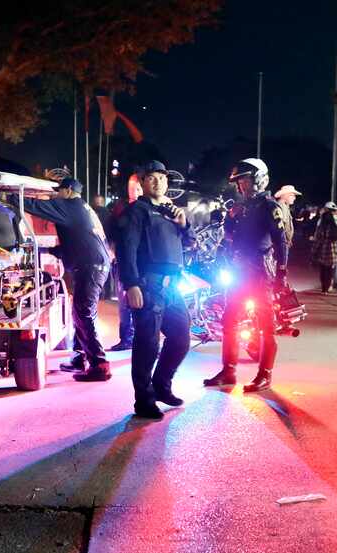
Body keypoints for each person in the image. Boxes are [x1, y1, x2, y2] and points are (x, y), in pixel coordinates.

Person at [12, 178, 112, 381]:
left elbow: (37, 207)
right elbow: (75, 242)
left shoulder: (70, 205)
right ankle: (79, 357)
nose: (55, 196)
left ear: (67, 191)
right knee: (81, 313)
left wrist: (14, 198)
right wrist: (47, 250)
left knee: (83, 314)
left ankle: (99, 365)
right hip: (93, 264)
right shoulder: (82, 208)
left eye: (58, 192)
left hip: (91, 266)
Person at [116, 161, 194, 420]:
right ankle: (144, 400)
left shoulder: (170, 211)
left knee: (182, 337)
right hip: (149, 285)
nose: (158, 182)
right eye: (151, 178)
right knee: (147, 344)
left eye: (162, 177)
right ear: (142, 183)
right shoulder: (136, 211)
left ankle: (162, 386)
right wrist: (131, 284)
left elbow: (190, 244)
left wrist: (183, 224)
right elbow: (126, 249)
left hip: (173, 287)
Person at [203, 158, 289, 392]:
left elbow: (281, 242)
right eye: (239, 182)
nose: (241, 186)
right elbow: (230, 239)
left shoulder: (270, 207)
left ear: (259, 179)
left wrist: (282, 272)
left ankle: (265, 375)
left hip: (261, 272)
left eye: (245, 180)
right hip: (239, 271)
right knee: (229, 320)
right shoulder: (240, 208)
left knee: (266, 325)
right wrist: (230, 220)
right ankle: (228, 371)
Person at [106, 175, 144, 352]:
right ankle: (126, 338)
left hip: (143, 264)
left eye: (137, 188)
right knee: (124, 303)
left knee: (145, 304)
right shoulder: (121, 208)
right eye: (131, 188)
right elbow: (111, 231)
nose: (134, 192)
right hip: (122, 262)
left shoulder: (147, 208)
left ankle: (144, 339)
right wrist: (112, 250)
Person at [311, 204, 337, 294]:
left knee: (323, 270)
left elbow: (317, 240)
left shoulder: (321, 228)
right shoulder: (335, 228)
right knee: (330, 271)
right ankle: (327, 287)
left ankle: (324, 288)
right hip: (332, 252)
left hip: (323, 251)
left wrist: (314, 251)